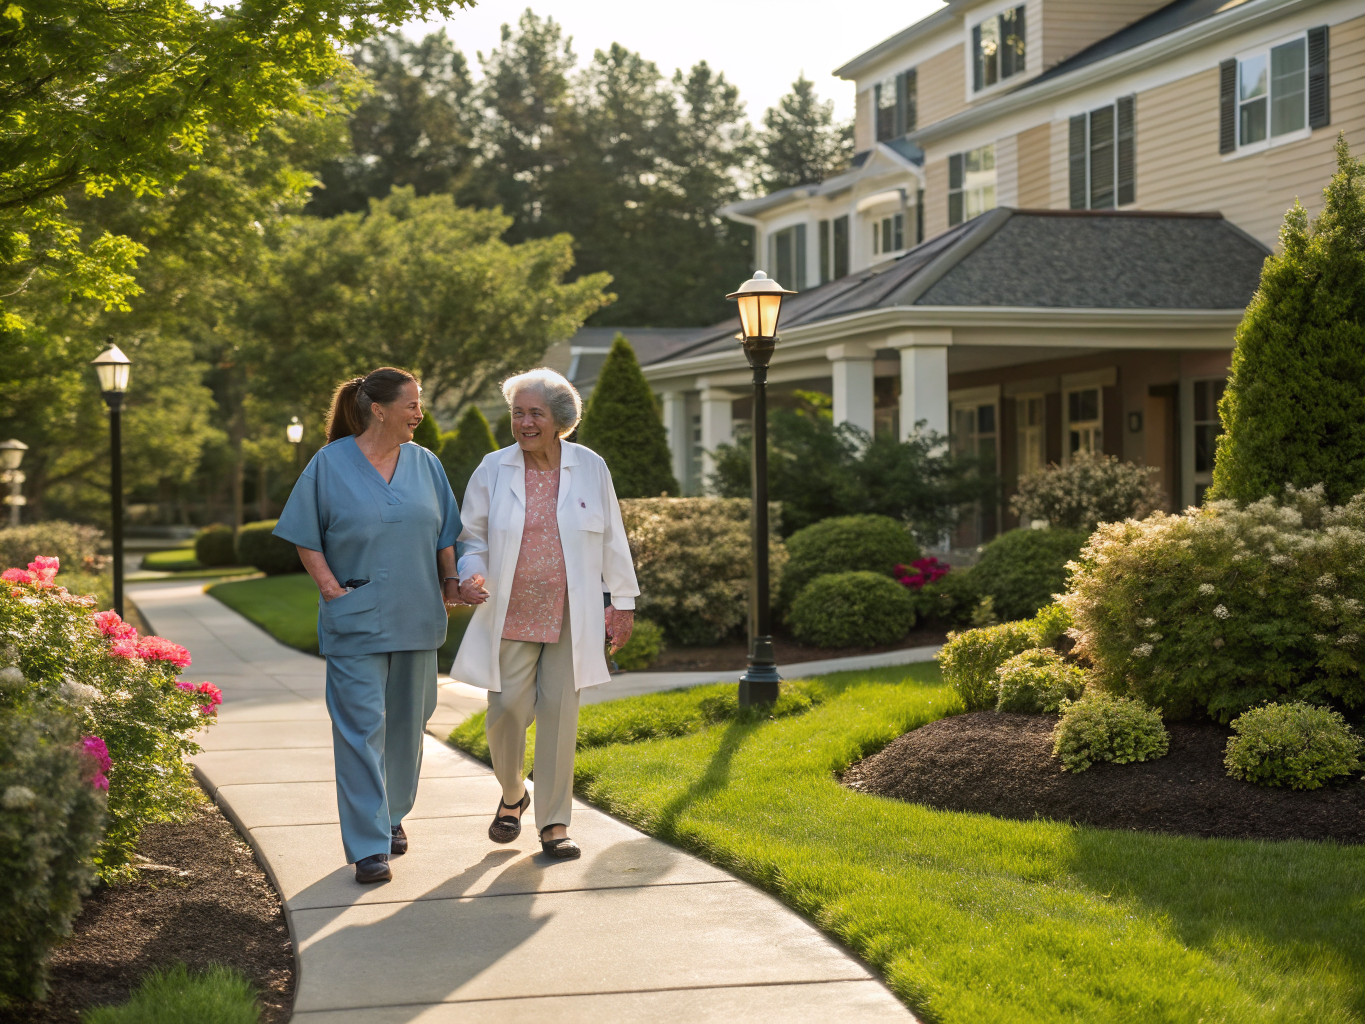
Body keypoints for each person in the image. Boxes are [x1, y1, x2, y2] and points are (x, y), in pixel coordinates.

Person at [273, 367, 462, 884]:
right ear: (379, 410)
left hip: (417, 615)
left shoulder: (426, 464)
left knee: (407, 726)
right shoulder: (329, 464)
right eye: (411, 404)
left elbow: (445, 533)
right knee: (359, 730)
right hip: (355, 616)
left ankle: (392, 815)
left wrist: (451, 582)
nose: (419, 413)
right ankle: (367, 845)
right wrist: (330, 588)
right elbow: (304, 535)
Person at [454, 368, 639, 860]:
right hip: (511, 609)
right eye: (518, 413)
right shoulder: (493, 468)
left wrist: (622, 603)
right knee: (506, 712)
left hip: (570, 613)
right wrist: (472, 574)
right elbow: (472, 537)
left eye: (535, 413)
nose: (525, 423)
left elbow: (612, 538)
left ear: (560, 419)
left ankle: (555, 823)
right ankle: (513, 793)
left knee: (559, 716)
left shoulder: (590, 466)